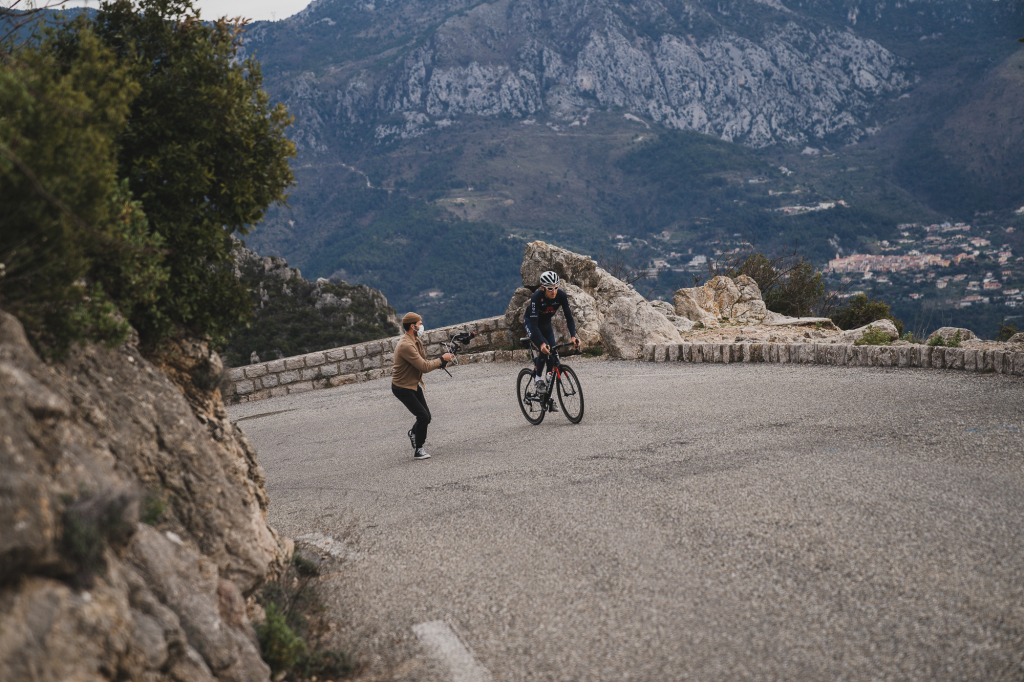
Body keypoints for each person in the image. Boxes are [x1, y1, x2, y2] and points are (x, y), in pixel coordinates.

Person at [391, 312, 453, 460]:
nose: (422, 325)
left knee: (427, 416)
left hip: (412, 384)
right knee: (423, 416)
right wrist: (441, 359)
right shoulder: (406, 345)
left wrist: (440, 364)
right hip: (402, 388)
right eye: (420, 323)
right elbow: (424, 367)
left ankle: (413, 433)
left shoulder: (415, 340)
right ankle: (419, 449)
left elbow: (421, 364)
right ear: (412, 326)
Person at [524, 271, 580, 411]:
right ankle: (537, 379)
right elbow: (535, 325)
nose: (553, 291)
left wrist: (573, 336)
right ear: (543, 288)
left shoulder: (561, 295)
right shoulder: (537, 297)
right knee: (545, 348)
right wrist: (541, 344)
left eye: (556, 287)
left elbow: (569, 317)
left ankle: (546, 395)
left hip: (546, 325)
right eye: (550, 288)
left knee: (552, 355)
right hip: (532, 323)